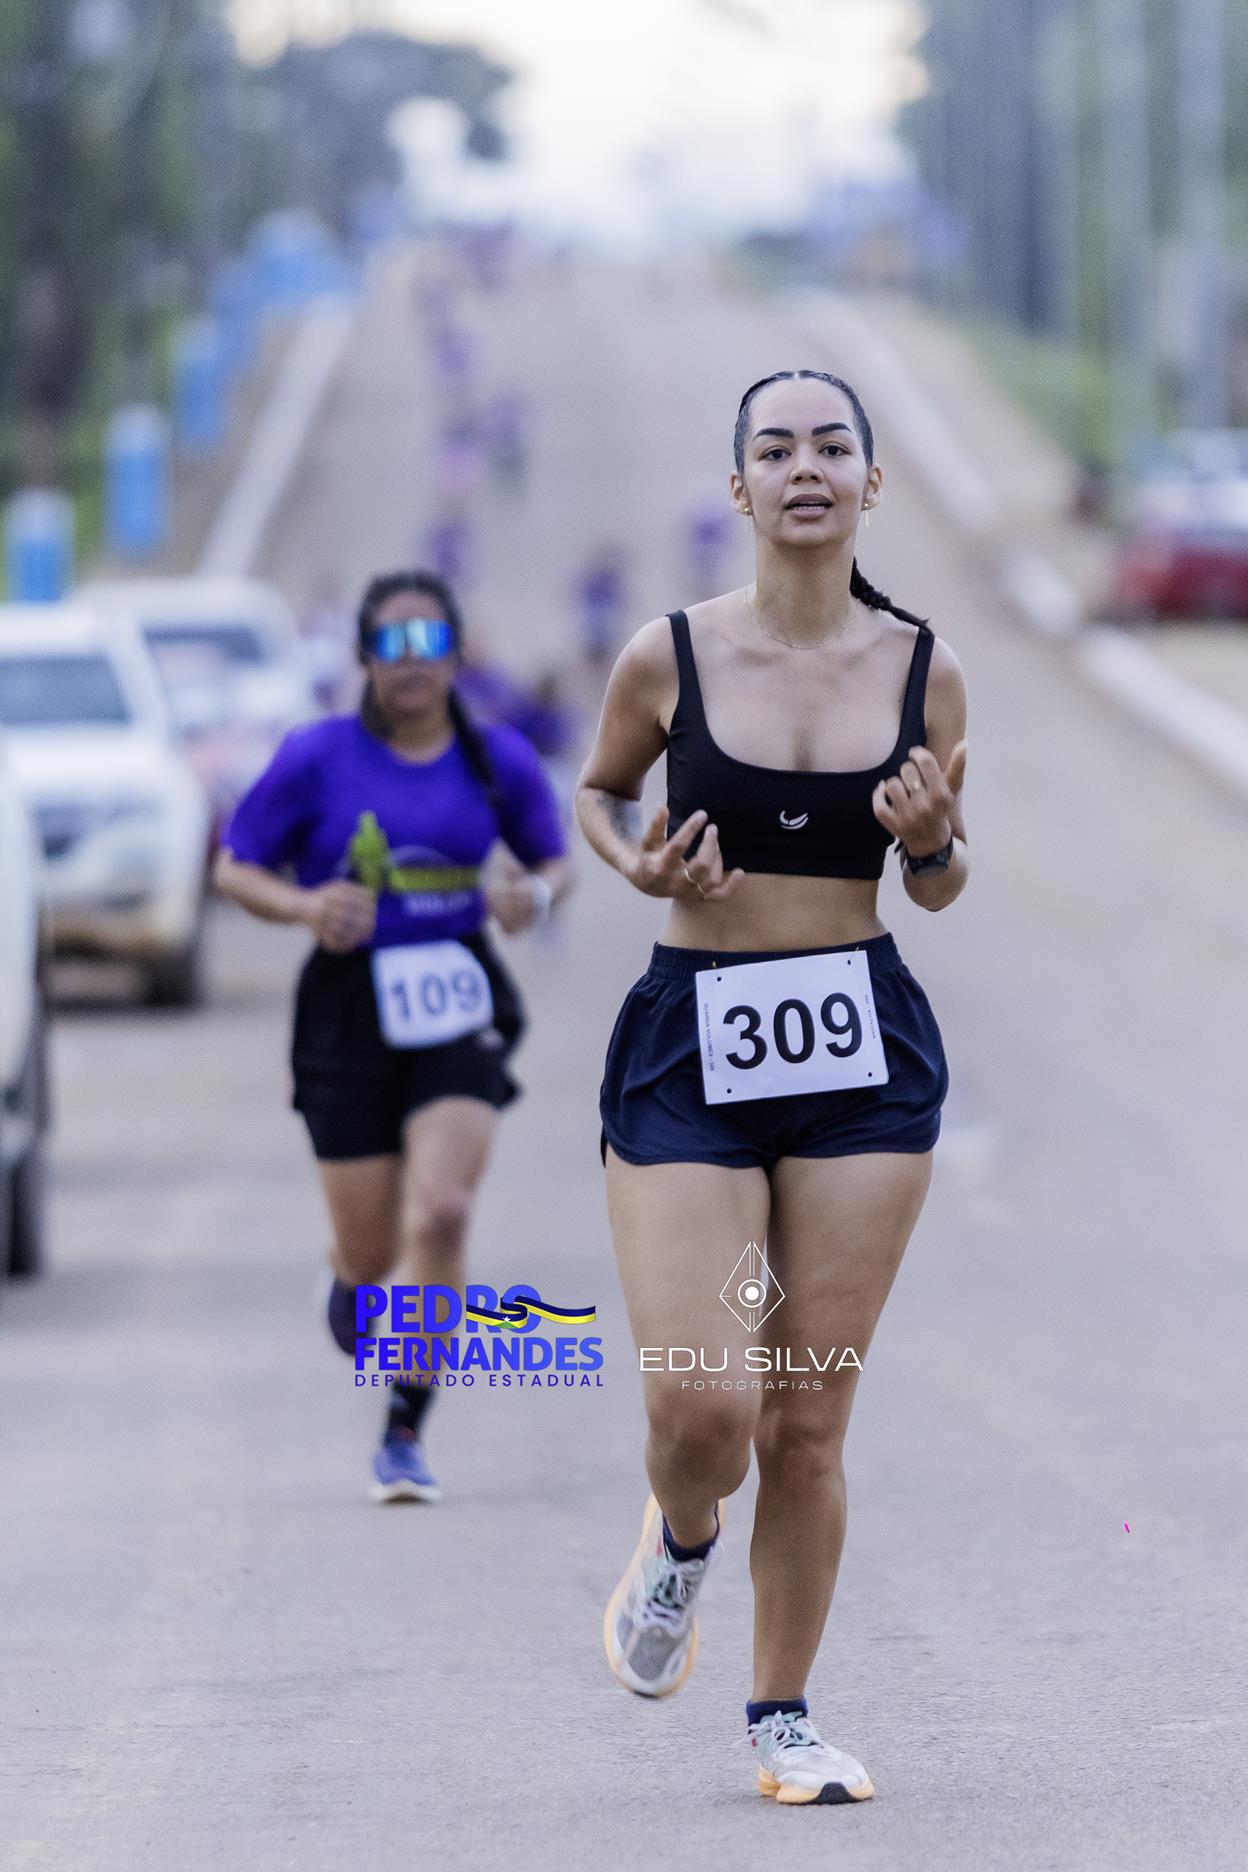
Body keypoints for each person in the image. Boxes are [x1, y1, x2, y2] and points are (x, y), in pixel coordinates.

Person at [575, 369, 968, 1805]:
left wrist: (931, 846)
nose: (808, 467)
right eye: (777, 449)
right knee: (706, 1412)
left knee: (804, 1417)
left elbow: (940, 881)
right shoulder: (668, 656)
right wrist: (638, 865)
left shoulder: (925, 671)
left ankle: (783, 1720)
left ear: (872, 482)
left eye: (834, 446)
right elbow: (601, 794)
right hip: (693, 1045)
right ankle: (680, 1541)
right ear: (739, 488)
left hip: (860, 1049)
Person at [214, 569, 573, 1503]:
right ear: (364, 656)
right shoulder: (317, 756)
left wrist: (532, 898)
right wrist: (304, 906)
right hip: (346, 1007)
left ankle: (404, 1429)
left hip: (456, 994)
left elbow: (554, 860)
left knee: (443, 1211)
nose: (411, 661)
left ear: (456, 653)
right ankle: (349, 1274)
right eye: (391, 643)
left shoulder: (496, 759)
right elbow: (235, 866)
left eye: (429, 641)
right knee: (374, 1253)